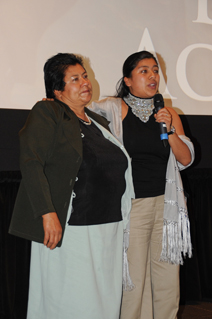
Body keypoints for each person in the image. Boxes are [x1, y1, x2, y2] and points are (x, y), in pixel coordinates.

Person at [9, 53, 134, 319]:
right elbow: (32, 163)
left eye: (85, 76)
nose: (85, 82)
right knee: (72, 301)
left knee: (103, 302)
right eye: (75, 79)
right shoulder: (49, 112)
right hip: (72, 226)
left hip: (107, 226)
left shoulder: (99, 123)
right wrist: (47, 212)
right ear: (57, 89)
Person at [89, 50, 194, 319]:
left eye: (155, 70)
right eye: (144, 71)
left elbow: (185, 159)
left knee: (167, 278)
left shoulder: (169, 113)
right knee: (133, 277)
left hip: (167, 205)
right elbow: (79, 109)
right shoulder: (112, 107)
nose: (153, 76)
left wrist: (170, 130)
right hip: (133, 206)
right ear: (128, 79)